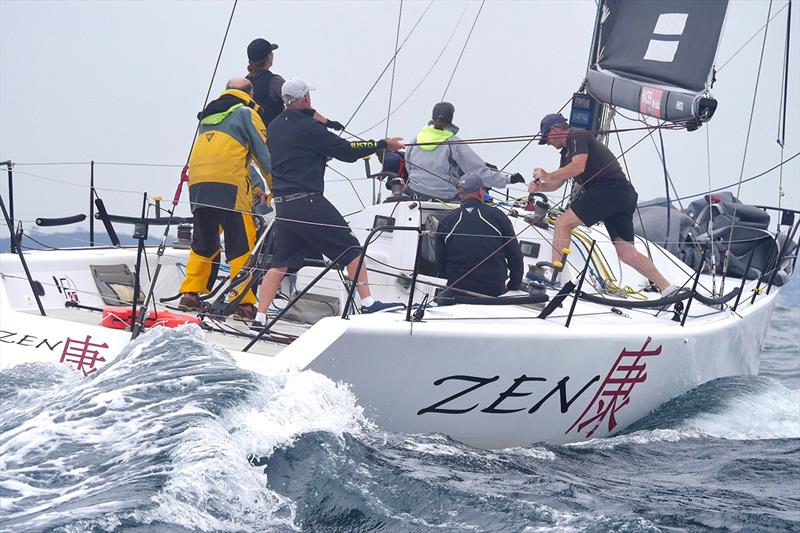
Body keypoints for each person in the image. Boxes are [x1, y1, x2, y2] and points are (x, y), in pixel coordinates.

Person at [251, 79, 405, 331]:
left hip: (284, 207)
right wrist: (381, 144)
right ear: (307, 99)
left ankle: (259, 318)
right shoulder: (310, 129)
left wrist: (319, 142)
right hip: (308, 201)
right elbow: (346, 151)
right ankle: (367, 303)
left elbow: (299, 145)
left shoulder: (276, 126)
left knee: (279, 264)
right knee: (352, 250)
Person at [529, 113, 676, 294]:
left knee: (562, 223)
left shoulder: (576, 135)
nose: (548, 144)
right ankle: (668, 288)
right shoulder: (566, 153)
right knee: (626, 253)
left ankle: (554, 275)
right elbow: (558, 182)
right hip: (623, 195)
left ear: (554, 130)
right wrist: (540, 187)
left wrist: (548, 174)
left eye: (546, 139)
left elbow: (578, 167)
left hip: (609, 190)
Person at [178, 77, 271, 319]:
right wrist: (277, 189)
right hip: (229, 186)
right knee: (241, 241)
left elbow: (226, 155)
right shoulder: (246, 113)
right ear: (250, 94)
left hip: (198, 182)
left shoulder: (207, 116)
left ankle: (190, 294)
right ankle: (244, 304)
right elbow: (264, 155)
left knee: (204, 240)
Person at [405, 102, 525, 201]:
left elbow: (409, 167)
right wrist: (508, 180)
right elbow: (478, 171)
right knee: (482, 202)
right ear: (451, 118)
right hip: (444, 197)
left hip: (413, 192)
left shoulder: (415, 141)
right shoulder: (453, 143)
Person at [435, 172, 524, 299]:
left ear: (460, 194)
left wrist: (447, 280)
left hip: (457, 290)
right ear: (481, 191)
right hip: (493, 291)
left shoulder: (447, 220)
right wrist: (514, 285)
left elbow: (440, 262)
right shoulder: (498, 216)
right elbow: (515, 256)